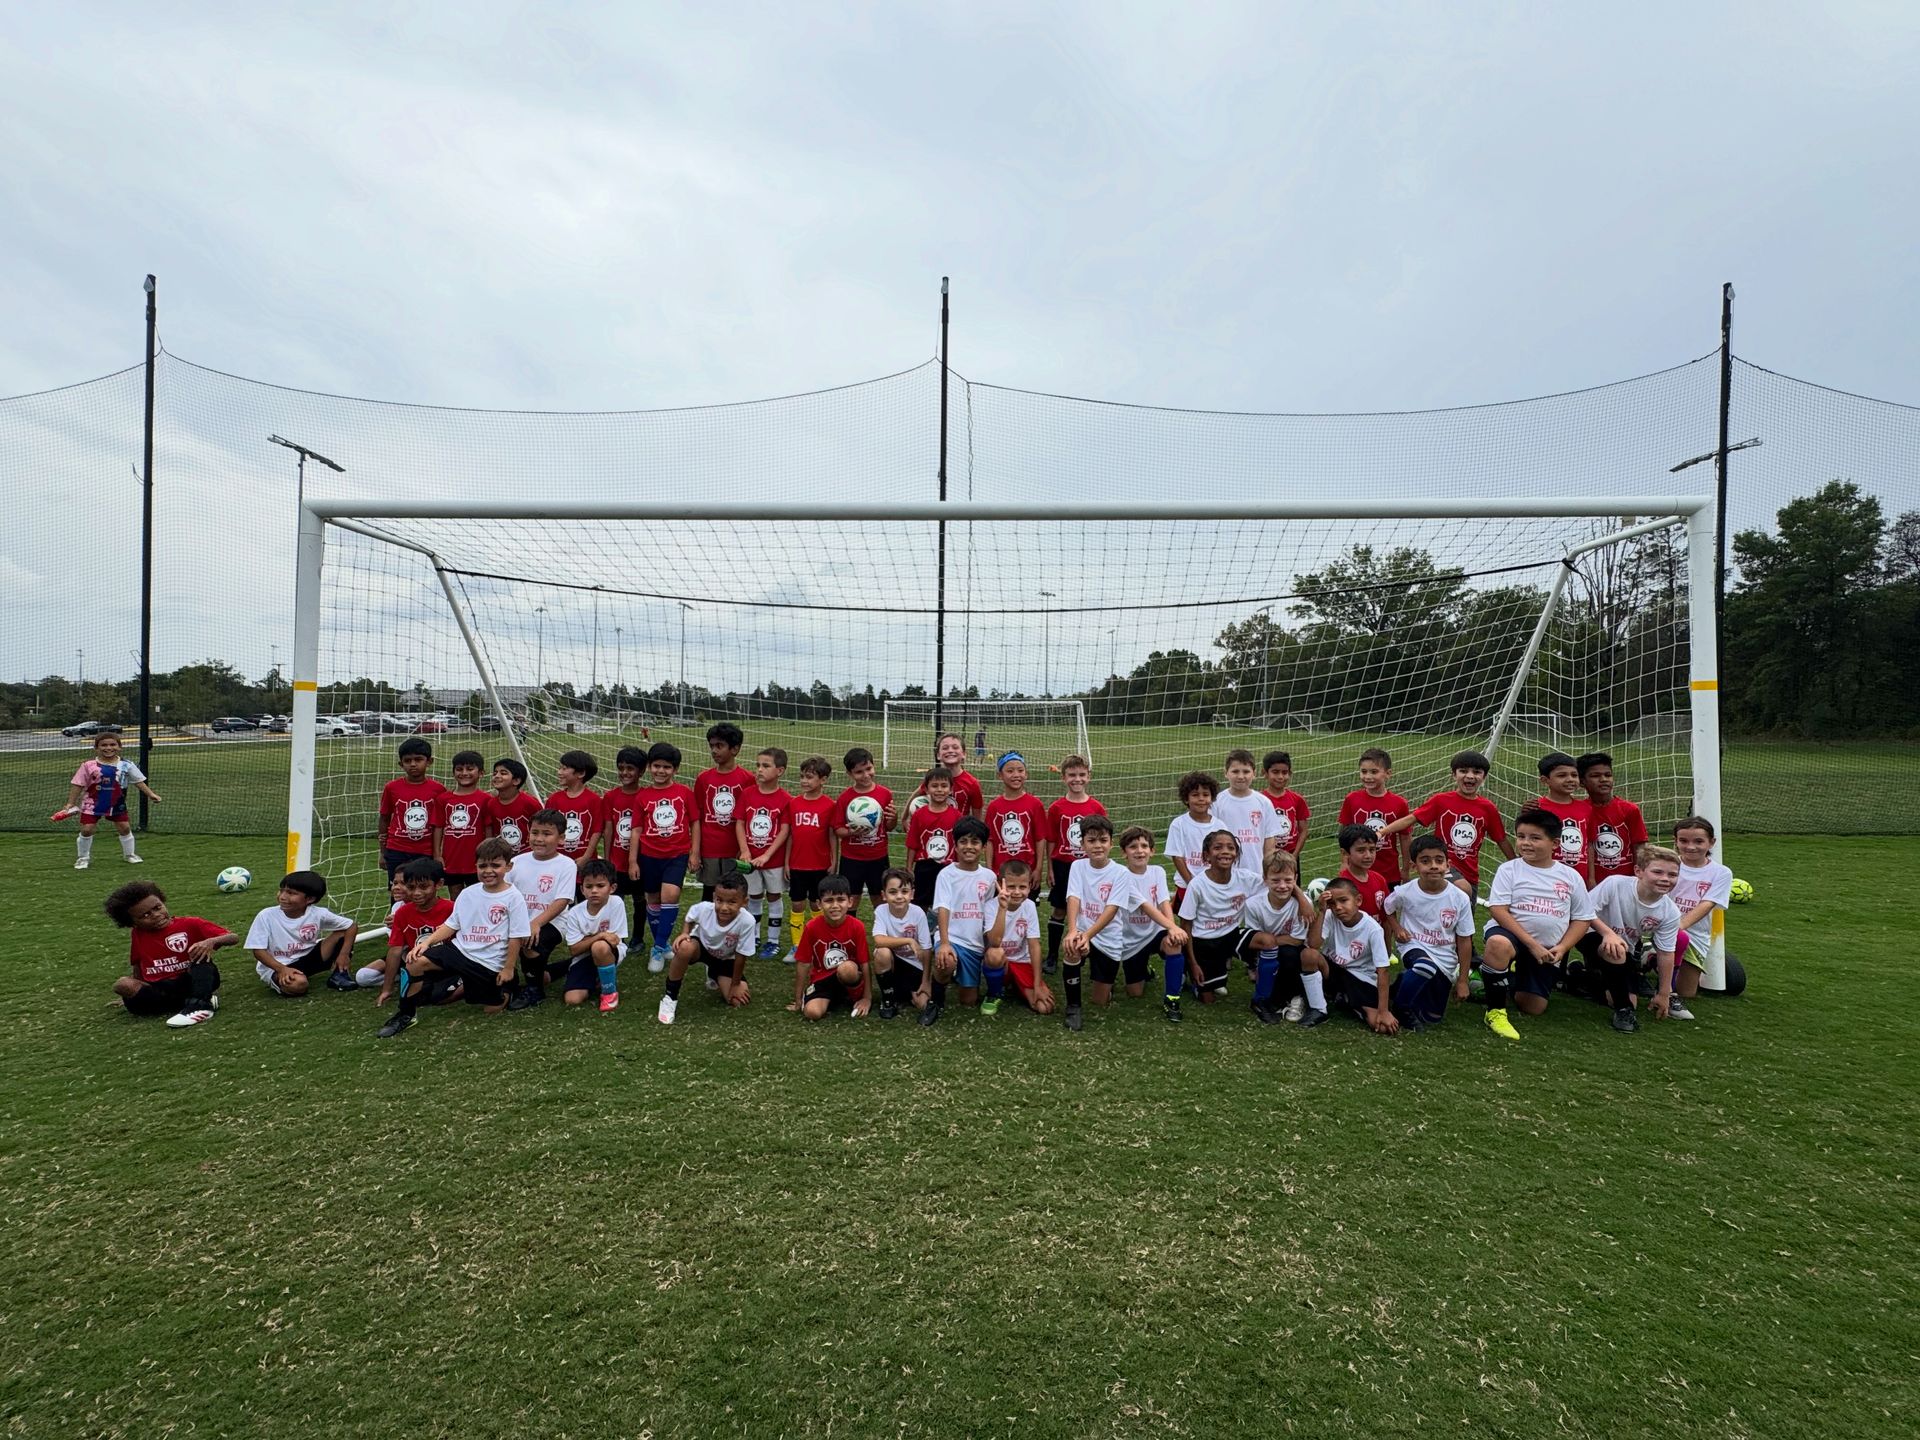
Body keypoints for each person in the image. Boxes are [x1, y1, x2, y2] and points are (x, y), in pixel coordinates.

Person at [378, 837, 528, 1037]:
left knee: (491, 1008)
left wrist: (508, 967)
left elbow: (516, 937)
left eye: (495, 865)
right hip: (459, 951)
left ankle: (508, 987)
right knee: (414, 963)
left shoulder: (514, 898)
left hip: (489, 962)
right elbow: (451, 925)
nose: (488, 871)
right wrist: (427, 943)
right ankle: (406, 1014)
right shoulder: (468, 893)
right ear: (475, 866)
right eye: (482, 866)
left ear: (508, 867)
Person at [1481, 806, 1596, 1038]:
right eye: (1521, 836)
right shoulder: (1509, 869)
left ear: (1555, 844)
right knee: (1498, 944)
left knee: (1533, 1007)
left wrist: (1563, 947)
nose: (1526, 843)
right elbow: (1498, 910)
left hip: (1546, 948)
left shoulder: (1570, 876)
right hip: (1513, 937)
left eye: (1535, 838)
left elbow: (1582, 918)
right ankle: (1495, 1011)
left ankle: (1492, 973)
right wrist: (1531, 944)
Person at [1381, 749, 1515, 898]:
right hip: (1442, 867)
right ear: (1454, 775)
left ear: (1484, 777)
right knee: (1461, 889)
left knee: (1465, 904)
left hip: (1470, 874)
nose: (1470, 776)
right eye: (1463, 771)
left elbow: (1501, 839)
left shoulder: (1488, 808)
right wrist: (1382, 832)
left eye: (1476, 772)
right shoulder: (1441, 801)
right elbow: (1410, 819)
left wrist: (1517, 864)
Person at [1579, 843, 1684, 1032]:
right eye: (1657, 872)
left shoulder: (1670, 912)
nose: (1665, 879)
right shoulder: (1615, 884)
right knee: (1616, 952)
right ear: (1638, 871)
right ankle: (1623, 1011)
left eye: (1672, 875)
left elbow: (1666, 953)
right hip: (1589, 934)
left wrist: (1664, 993)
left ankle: (1579, 978)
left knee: (1629, 998)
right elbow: (1584, 912)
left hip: (1625, 949)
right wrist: (1608, 934)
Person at [103, 879, 235, 1027]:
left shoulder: (190, 923)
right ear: (132, 922)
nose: (156, 915)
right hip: (159, 988)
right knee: (122, 985)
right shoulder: (138, 934)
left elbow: (233, 938)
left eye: (157, 908)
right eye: (145, 915)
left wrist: (210, 941)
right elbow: (138, 964)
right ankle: (195, 1001)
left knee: (201, 959)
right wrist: (132, 994)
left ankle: (200, 1007)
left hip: (189, 980)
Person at [1383, 835, 1475, 1030]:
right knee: (1425, 966)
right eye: (1425, 861)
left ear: (1448, 865)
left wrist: (1463, 981)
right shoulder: (1404, 892)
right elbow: (1387, 907)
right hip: (1413, 945)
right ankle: (1401, 1008)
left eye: (1439, 860)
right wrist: (1397, 928)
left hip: (1444, 957)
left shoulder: (1460, 898)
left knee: (1431, 1017)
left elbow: (1464, 940)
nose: (1433, 866)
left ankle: (1401, 984)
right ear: (1414, 866)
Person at [1059, 814, 1136, 1031]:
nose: (1098, 845)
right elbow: (1073, 897)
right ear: (1082, 843)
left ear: (1111, 843)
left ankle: (1106, 983)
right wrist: (1074, 930)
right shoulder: (1078, 866)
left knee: (1100, 1001)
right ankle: (1073, 1007)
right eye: (1091, 840)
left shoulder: (1121, 873)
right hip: (1083, 932)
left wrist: (1088, 935)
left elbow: (1112, 909)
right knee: (1072, 948)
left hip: (1107, 936)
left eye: (1103, 840)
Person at [659, 870, 758, 1023]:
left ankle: (713, 973)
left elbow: (741, 956)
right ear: (714, 897)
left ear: (744, 902)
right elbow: (690, 917)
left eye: (732, 902)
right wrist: (685, 933)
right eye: (719, 900)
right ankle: (670, 997)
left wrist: (735, 984)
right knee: (685, 947)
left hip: (726, 959)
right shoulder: (704, 908)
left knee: (737, 1001)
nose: (724, 907)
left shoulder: (747, 921)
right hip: (702, 949)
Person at [630, 741, 696, 971]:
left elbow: (695, 823)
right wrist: (632, 861)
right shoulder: (643, 796)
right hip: (649, 855)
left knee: (671, 894)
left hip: (677, 854)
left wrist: (695, 852)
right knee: (653, 898)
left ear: (675, 769)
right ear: (649, 767)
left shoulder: (684, 793)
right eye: (657, 766)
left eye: (667, 767)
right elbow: (636, 830)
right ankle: (664, 943)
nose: (661, 771)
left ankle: (657, 948)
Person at [505, 809, 580, 1010]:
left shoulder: (566, 865)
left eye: (547, 834)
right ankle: (513, 982)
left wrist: (536, 923)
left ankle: (535, 990)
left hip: (553, 921)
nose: (539, 839)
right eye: (535, 832)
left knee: (530, 944)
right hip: (520, 921)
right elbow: (505, 893)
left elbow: (562, 901)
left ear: (561, 838)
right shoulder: (517, 862)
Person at [1112, 824, 1189, 1020]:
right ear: (1124, 853)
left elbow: (1164, 903)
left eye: (1144, 846)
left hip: (1155, 932)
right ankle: (1144, 968)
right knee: (1135, 993)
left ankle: (1172, 999)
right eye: (1133, 847)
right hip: (1132, 940)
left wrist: (1171, 929)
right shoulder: (1121, 877)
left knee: (1173, 943)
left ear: (1152, 851)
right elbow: (1146, 907)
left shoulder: (1158, 872)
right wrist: (1172, 926)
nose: (1139, 851)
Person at [246, 870, 359, 996]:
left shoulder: (318, 913)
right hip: (278, 965)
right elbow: (258, 951)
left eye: (291, 893)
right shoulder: (266, 915)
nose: (282, 896)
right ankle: (285, 980)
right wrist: (282, 969)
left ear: (310, 899)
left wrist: (344, 954)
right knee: (299, 984)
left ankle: (339, 975)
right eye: (281, 891)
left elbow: (351, 926)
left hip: (309, 958)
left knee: (343, 931)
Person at [1174, 829, 1252, 1009]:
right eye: (1218, 847)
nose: (1225, 852)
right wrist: (1193, 963)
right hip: (1204, 943)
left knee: (1267, 942)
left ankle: (1264, 997)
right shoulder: (1197, 885)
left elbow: (1274, 882)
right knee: (1208, 1000)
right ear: (1206, 856)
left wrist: (1301, 899)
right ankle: (1191, 973)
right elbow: (1185, 925)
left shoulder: (1246, 878)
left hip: (1231, 936)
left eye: (1231, 848)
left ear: (1236, 854)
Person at [61, 729, 161, 869]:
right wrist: (70, 803)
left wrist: (151, 794)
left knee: (125, 828)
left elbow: (138, 781)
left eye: (112, 744)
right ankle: (83, 858)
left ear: (119, 747)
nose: (108, 748)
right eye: (104, 745)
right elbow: (78, 784)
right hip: (92, 804)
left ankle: (130, 854)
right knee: (87, 830)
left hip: (116, 803)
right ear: (96, 748)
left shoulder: (126, 765)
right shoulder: (88, 765)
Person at [1240, 850, 1319, 1026]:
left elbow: (1297, 940)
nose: (1282, 886)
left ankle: (1296, 997)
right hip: (1266, 953)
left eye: (1288, 880)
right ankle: (1273, 996)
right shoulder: (1253, 905)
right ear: (1265, 879)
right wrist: (1267, 944)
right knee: (1269, 960)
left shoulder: (1302, 904)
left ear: (1295, 878)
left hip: (1292, 952)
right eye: (1275, 880)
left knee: (1289, 953)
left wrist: (1269, 941)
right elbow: (1255, 939)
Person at [930, 816, 996, 1023]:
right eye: (963, 841)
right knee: (946, 962)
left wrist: (987, 944)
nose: (969, 846)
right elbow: (943, 908)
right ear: (955, 845)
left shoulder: (989, 877)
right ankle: (935, 1002)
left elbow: (988, 912)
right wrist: (944, 943)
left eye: (975, 842)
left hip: (974, 944)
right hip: (952, 938)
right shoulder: (946, 874)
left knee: (968, 1001)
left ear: (983, 847)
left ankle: (960, 976)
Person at [1045, 755, 1105, 974]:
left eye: (1081, 775)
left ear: (1089, 777)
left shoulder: (1096, 807)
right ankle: (1052, 955)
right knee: (1060, 909)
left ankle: (1092, 952)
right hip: (1064, 866)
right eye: (1072, 775)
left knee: (1090, 910)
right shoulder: (1056, 808)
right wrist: (1050, 868)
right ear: (1063, 777)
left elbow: (1103, 839)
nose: (1077, 779)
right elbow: (1052, 840)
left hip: (1090, 867)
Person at [1315, 877, 1398, 1035]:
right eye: (1332, 903)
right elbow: (1313, 945)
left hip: (1359, 979)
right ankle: (1316, 1004)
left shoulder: (1373, 929)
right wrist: (1321, 912)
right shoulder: (1329, 916)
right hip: (1333, 970)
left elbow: (1383, 970)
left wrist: (1384, 1011)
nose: (1338, 907)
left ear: (1358, 900)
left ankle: (1347, 1000)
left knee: (1382, 1027)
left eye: (1343, 900)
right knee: (1309, 955)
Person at [365, 858, 453, 1004]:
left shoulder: (452, 908)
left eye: (423, 887)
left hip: (448, 966)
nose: (417, 893)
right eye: (411, 887)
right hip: (418, 966)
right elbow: (395, 951)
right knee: (419, 998)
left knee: (438, 996)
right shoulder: (402, 913)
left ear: (439, 884)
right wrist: (386, 989)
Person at [1668, 816, 1730, 1022]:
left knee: (1686, 992)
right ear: (1675, 841)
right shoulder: (1669, 864)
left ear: (1711, 843)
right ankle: (1650, 959)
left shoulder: (1721, 873)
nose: (1690, 846)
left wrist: (1680, 926)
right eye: (1683, 841)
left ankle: (1661, 966)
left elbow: (1707, 904)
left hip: (1694, 935)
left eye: (1698, 841)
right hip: (1659, 929)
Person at [736, 746, 794, 959]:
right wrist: (745, 850)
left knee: (774, 896)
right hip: (750, 859)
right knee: (753, 895)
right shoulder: (747, 794)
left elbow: (785, 830)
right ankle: (753, 936)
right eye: (758, 765)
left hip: (774, 860)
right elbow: (740, 823)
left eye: (766, 766)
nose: (759, 769)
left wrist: (767, 855)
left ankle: (773, 941)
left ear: (780, 771)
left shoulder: (786, 799)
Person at [794, 874, 873, 1020]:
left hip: (850, 977)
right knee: (812, 1013)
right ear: (819, 904)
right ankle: (832, 998)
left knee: (847, 968)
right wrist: (798, 999)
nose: (835, 905)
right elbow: (803, 963)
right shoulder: (811, 927)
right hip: (823, 979)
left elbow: (864, 963)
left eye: (840, 900)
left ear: (850, 902)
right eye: (829, 900)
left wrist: (867, 998)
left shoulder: (857, 926)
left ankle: (852, 996)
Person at [556, 858, 629, 1012]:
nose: (594, 891)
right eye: (589, 886)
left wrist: (589, 940)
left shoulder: (616, 903)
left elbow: (614, 940)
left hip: (610, 951)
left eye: (600, 886)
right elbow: (574, 949)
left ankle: (609, 993)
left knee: (599, 947)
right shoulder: (575, 912)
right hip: (583, 956)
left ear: (612, 888)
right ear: (582, 889)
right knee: (572, 999)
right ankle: (597, 977)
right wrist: (600, 935)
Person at [692, 722, 752, 904]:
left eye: (719, 746)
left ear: (735, 749)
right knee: (709, 893)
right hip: (710, 847)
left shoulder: (747, 779)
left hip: (735, 849)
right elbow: (697, 817)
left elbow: (749, 817)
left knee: (734, 893)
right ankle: (706, 923)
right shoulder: (703, 779)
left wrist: (745, 848)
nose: (714, 751)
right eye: (711, 746)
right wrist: (695, 851)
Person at [984, 860, 1054, 1016]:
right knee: (995, 954)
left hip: (1022, 962)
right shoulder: (990, 906)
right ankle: (994, 994)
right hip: (1002, 963)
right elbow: (994, 942)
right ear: (1001, 885)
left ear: (1029, 887)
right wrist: (1003, 908)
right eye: (1011, 887)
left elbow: (1034, 946)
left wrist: (1037, 985)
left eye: (1022, 887)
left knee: (1045, 1007)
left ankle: (1016, 985)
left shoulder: (1029, 906)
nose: (1017, 892)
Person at [830, 746, 896, 913]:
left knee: (879, 897)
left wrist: (893, 818)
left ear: (874, 766)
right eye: (859, 772)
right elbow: (838, 829)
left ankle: (881, 927)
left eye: (869, 769)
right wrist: (852, 832)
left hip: (878, 856)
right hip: (852, 858)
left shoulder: (885, 794)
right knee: (851, 898)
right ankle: (850, 927)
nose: (866, 775)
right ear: (850, 774)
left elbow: (889, 827)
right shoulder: (845, 798)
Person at [1211, 749, 1283, 893]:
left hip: (1256, 873)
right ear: (1225, 773)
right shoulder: (1217, 802)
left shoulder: (1264, 802)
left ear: (1254, 773)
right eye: (1235, 771)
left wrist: (1268, 870)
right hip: (1225, 873)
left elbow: (1269, 842)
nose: (1241, 776)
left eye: (1246, 771)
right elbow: (1210, 840)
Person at [786, 756, 837, 957]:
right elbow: (791, 835)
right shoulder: (794, 803)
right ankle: (797, 946)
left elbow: (832, 836)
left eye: (809, 777)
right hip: (797, 865)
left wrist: (834, 861)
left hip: (820, 865)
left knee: (817, 903)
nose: (804, 781)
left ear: (823, 780)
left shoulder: (830, 805)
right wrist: (786, 862)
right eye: (802, 777)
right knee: (797, 904)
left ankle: (819, 941)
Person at [1337, 747, 1410, 888]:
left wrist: (1405, 868)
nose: (1368, 776)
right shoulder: (1352, 799)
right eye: (1364, 771)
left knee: (1386, 902)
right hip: (1356, 869)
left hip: (1388, 871)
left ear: (1388, 773)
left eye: (1374, 772)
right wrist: (1344, 862)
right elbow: (1344, 834)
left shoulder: (1399, 803)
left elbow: (1405, 838)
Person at [870, 867, 933, 1020]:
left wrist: (926, 981)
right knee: (882, 952)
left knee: (923, 1003)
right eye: (893, 892)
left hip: (914, 966)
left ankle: (905, 992)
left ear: (912, 894)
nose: (899, 896)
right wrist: (909, 940)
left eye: (904, 891)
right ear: (884, 895)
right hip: (894, 964)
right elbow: (878, 940)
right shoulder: (881, 911)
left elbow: (926, 950)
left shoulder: (918, 913)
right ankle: (888, 1001)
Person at [378, 737, 445, 880]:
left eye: (418, 759)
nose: (413, 764)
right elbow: (384, 818)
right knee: (399, 889)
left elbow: (440, 825)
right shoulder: (391, 787)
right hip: (397, 849)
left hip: (425, 850)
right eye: (408, 761)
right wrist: (382, 852)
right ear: (401, 764)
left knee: (423, 887)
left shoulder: (438, 790)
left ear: (429, 761)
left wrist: (437, 853)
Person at [1578, 752, 1648, 884]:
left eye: (1608, 775)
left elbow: (1639, 846)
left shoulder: (1629, 809)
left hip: (1626, 880)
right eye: (1595, 776)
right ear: (1582, 782)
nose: (1604, 779)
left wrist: (1642, 876)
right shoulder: (1580, 810)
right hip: (1593, 882)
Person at [983, 751, 1048, 880]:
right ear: (1000, 775)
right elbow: (990, 841)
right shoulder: (994, 807)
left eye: (1020, 770)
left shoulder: (1035, 804)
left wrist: (1038, 868)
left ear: (1026, 774)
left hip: (1027, 873)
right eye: (1010, 771)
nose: (1016, 775)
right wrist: (990, 871)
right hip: (1001, 874)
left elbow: (1040, 839)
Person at [600, 745, 651, 912]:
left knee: (640, 899)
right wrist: (607, 859)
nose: (624, 772)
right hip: (617, 860)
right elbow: (608, 829)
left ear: (641, 771)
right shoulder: (610, 797)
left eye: (630, 768)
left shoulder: (647, 795)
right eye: (621, 768)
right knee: (615, 900)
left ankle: (638, 930)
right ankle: (616, 928)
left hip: (641, 860)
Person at [432, 750, 489, 896]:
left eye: (469, 769)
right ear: (453, 772)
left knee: (478, 895)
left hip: (476, 859)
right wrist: (437, 854)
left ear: (481, 773)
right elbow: (438, 827)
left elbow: (488, 828)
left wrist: (488, 854)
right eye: (459, 769)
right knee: (455, 896)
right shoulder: (443, 799)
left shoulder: (486, 799)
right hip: (452, 859)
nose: (464, 773)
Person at [905, 766, 961, 914]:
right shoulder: (919, 815)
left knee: (947, 904)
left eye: (944, 786)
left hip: (948, 866)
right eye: (934, 786)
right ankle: (920, 927)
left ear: (951, 789)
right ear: (926, 789)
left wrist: (960, 866)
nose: (939, 790)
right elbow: (912, 843)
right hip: (924, 866)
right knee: (921, 904)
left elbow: (959, 844)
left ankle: (945, 927)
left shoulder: (956, 816)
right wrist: (909, 868)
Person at [1532, 750, 1592, 875]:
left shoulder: (1586, 808)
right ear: (1545, 780)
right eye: (1562, 775)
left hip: (1579, 877)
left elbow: (1589, 844)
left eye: (1574, 775)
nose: (1570, 779)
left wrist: (1591, 878)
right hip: (1546, 875)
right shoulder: (1536, 808)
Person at [1166, 771, 1221, 904]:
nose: (1201, 799)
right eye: (1195, 795)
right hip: (1187, 885)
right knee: (1188, 916)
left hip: (1213, 885)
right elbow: (1177, 857)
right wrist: (1191, 883)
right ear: (1186, 799)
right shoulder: (1178, 824)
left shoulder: (1220, 825)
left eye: (1205, 795)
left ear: (1212, 798)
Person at [544, 749, 604, 866]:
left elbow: (597, 831)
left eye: (564, 769)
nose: (559, 772)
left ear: (581, 773)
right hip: (557, 861)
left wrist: (586, 857)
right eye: (559, 768)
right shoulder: (554, 799)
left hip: (584, 862)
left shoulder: (594, 800)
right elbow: (547, 829)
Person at [917, 732, 985, 817]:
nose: (950, 751)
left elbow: (977, 816)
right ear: (938, 755)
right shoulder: (933, 779)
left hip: (960, 825)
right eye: (945, 748)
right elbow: (918, 792)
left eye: (955, 747)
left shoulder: (972, 783)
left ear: (964, 754)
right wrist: (905, 817)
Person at [484, 757, 542, 856]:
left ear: (516, 781)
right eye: (495, 773)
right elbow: (490, 831)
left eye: (503, 773)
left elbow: (542, 826)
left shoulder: (530, 802)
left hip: (528, 855)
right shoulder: (491, 804)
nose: (497, 776)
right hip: (503, 856)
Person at [1335, 822, 1391, 921]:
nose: (1368, 856)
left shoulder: (1380, 880)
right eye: (1361, 850)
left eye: (1372, 850)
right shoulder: (1342, 884)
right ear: (1345, 853)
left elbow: (1386, 917)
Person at [1260, 750, 1311, 857]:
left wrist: (1294, 856)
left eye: (1284, 773)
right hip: (1265, 856)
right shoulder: (1259, 800)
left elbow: (1304, 831)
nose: (1280, 777)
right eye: (1275, 772)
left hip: (1290, 855)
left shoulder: (1298, 799)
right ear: (1265, 773)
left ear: (1290, 773)